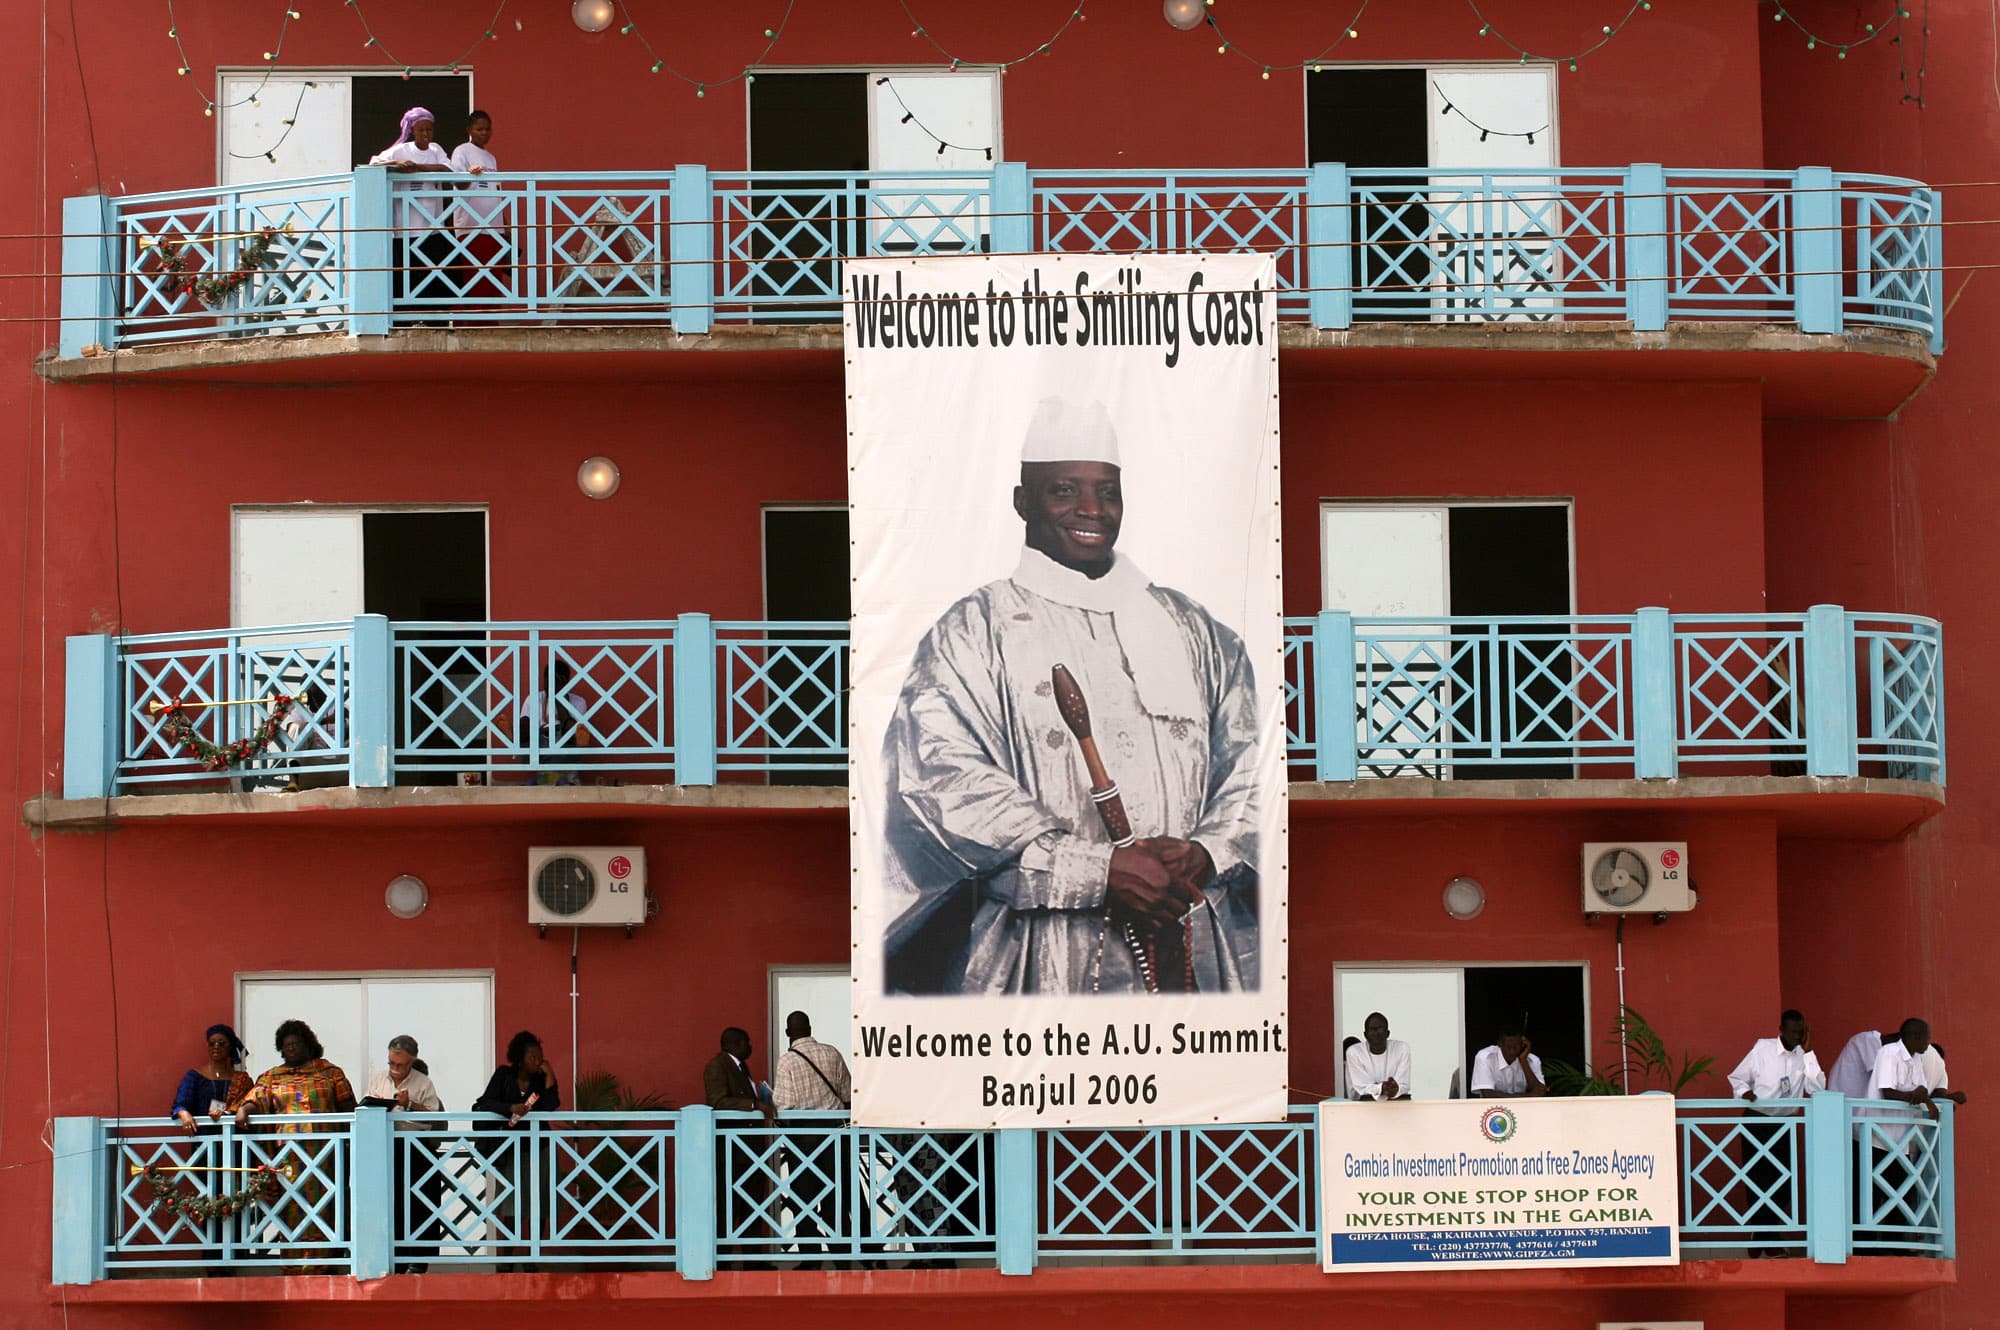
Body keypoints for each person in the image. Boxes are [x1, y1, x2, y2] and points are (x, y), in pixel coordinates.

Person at [881, 397, 1265, 995]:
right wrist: (1096, 870)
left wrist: (1207, 853)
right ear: (1022, 501)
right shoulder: (974, 630)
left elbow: (1253, 765)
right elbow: (937, 781)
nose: (1092, 510)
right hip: (1041, 963)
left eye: (1107, 492)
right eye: (1064, 490)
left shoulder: (1196, 630)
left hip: (1190, 952)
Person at [233, 1021, 357, 1272]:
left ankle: (327, 1264)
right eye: (286, 1045)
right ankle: (295, 1264)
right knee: (292, 1208)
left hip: (325, 1156)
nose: (291, 1048)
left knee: (326, 1207)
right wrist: (244, 1109)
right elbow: (256, 1098)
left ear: (308, 1044)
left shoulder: (331, 1072)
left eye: (296, 1043)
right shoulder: (272, 1076)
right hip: (288, 1158)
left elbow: (349, 1108)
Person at [1858, 1018, 1966, 1252]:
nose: (1929, 1041)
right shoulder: (1889, 1053)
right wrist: (1916, 1097)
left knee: (1899, 1189)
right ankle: (1865, 1246)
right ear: (1915, 1036)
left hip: (1901, 1139)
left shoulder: (1916, 1059)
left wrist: (1936, 1099)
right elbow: (1887, 1092)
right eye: (1926, 1036)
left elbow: (1920, 1089)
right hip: (1879, 1134)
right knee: (1873, 1190)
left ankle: (1893, 1245)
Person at [1726, 1009, 1825, 1256]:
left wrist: (1809, 1052)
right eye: (1792, 1031)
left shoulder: (1805, 1057)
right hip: (1758, 1121)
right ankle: (1768, 1238)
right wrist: (1744, 1093)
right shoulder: (1763, 1048)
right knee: (1757, 1179)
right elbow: (1737, 1077)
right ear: (1781, 1030)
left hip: (1785, 1124)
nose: (1796, 1036)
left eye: (1801, 1032)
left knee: (1784, 1183)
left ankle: (1761, 1234)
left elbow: (1818, 1089)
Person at [472, 1031, 561, 1271]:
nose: (537, 1061)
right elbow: (486, 1102)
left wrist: (550, 1073)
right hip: (511, 1149)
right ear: (519, 1058)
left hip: (539, 1147)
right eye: (532, 1056)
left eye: (540, 1057)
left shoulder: (541, 1081)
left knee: (540, 1201)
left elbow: (552, 1104)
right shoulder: (504, 1075)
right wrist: (510, 1107)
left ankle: (533, 1254)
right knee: (512, 1203)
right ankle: (507, 1255)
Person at [772, 1013, 851, 1266]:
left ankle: (810, 1255)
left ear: (788, 1033)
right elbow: (848, 1093)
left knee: (803, 1197)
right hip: (835, 1135)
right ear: (809, 1028)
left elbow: (784, 1105)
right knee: (835, 1195)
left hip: (803, 1137)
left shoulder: (787, 1061)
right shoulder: (832, 1053)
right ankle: (841, 1253)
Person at [364, 1035, 445, 1274]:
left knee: (419, 1205)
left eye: (400, 1065)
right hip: (386, 1148)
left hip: (417, 1149)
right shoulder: (379, 1079)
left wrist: (409, 1105)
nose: (395, 1069)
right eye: (391, 1063)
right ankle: (392, 1259)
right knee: (390, 1203)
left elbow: (435, 1117)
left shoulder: (423, 1083)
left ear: (412, 1062)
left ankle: (418, 1259)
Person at [366, 107, 458, 312]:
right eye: (421, 130)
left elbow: (448, 168)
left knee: (433, 273)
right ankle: (407, 316)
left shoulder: (436, 150)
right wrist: (397, 163)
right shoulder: (401, 150)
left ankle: (432, 315)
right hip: (406, 226)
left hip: (433, 225)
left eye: (429, 130)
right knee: (408, 274)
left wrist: (418, 167)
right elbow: (373, 163)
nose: (425, 134)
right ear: (412, 131)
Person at [705, 1027, 773, 1267]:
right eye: (748, 1042)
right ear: (736, 1043)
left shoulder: (740, 1067)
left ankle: (754, 1259)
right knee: (728, 1206)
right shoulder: (717, 1066)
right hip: (731, 1151)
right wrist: (754, 1104)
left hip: (750, 1149)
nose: (750, 1047)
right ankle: (723, 1260)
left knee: (752, 1205)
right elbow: (718, 1101)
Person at [449, 109, 507, 302]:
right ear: (470, 130)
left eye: (487, 129)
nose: (484, 133)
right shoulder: (462, 151)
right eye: (479, 129)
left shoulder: (491, 158)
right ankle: (473, 323)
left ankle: (490, 323)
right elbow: (458, 183)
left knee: (493, 280)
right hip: (471, 226)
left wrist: (505, 226)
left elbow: (497, 193)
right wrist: (469, 173)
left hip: (494, 228)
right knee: (475, 279)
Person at [170, 1024, 253, 1134]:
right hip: (204, 1141)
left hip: (235, 1140)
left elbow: (249, 1104)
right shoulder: (194, 1076)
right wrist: (184, 1114)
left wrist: (226, 1114)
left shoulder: (242, 1079)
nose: (216, 1046)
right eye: (212, 1043)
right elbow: (180, 1104)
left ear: (230, 1047)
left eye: (222, 1043)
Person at [1345, 1012, 1412, 1102]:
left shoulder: (1401, 1049)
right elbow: (1362, 1088)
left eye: (1380, 1029)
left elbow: (1403, 1085)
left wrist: (1394, 1090)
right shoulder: (1354, 1052)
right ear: (1365, 1035)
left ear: (1388, 1033)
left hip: (1397, 1105)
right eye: (1372, 1029)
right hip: (1363, 1107)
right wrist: (1382, 1088)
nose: (1376, 1033)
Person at [1469, 1024, 1547, 1098]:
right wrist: (1528, 1096)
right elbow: (1488, 1094)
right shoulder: (1485, 1057)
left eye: (1516, 1047)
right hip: (1493, 1109)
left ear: (1522, 1045)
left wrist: (1523, 1061)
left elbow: (1540, 1093)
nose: (1512, 1051)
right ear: (1500, 1044)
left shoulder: (1532, 1060)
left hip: (1524, 1108)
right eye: (1508, 1047)